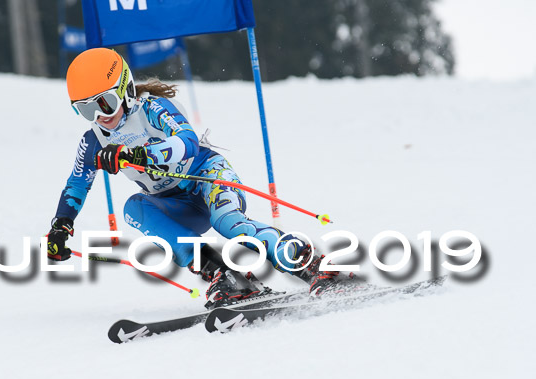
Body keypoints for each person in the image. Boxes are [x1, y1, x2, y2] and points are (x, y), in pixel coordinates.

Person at [47, 48, 341, 308]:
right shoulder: (94, 140)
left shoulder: (151, 109)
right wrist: (61, 226)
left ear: (125, 89)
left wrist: (140, 155)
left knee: (228, 223)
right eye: (86, 109)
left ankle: (309, 263)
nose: (100, 115)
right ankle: (223, 274)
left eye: (106, 103)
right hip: (175, 203)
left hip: (207, 176)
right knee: (133, 208)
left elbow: (186, 141)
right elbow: (77, 184)